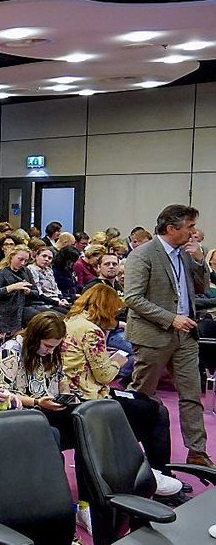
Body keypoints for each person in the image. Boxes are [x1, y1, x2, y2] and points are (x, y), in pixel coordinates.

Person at [60, 285, 183, 500]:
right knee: (156, 411)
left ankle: (152, 473)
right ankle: (158, 474)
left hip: (78, 392)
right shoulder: (91, 330)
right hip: (92, 397)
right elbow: (105, 375)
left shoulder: (70, 322)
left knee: (147, 406)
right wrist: (118, 361)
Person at [125, 204, 212, 467]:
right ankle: (128, 447)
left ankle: (197, 451)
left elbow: (202, 288)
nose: (194, 232)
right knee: (141, 396)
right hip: (153, 335)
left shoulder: (187, 254)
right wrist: (170, 318)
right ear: (171, 228)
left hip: (185, 336)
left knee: (191, 394)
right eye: (189, 227)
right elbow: (132, 298)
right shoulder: (143, 255)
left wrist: (199, 261)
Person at [0, 312, 74, 445]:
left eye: (55, 347)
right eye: (48, 346)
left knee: (83, 422)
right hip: (25, 412)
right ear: (34, 338)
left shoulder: (52, 352)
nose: (51, 351)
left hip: (49, 407)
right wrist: (36, 402)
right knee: (53, 433)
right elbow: (3, 394)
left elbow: (61, 377)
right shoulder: (11, 351)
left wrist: (65, 395)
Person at [0, 245, 55, 337]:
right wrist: (12, 287)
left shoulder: (26, 271)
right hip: (8, 309)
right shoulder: (0, 272)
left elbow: (36, 292)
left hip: (26, 304)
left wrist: (29, 292)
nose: (23, 263)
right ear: (11, 256)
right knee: (40, 320)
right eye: (20, 259)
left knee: (53, 316)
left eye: (26, 261)